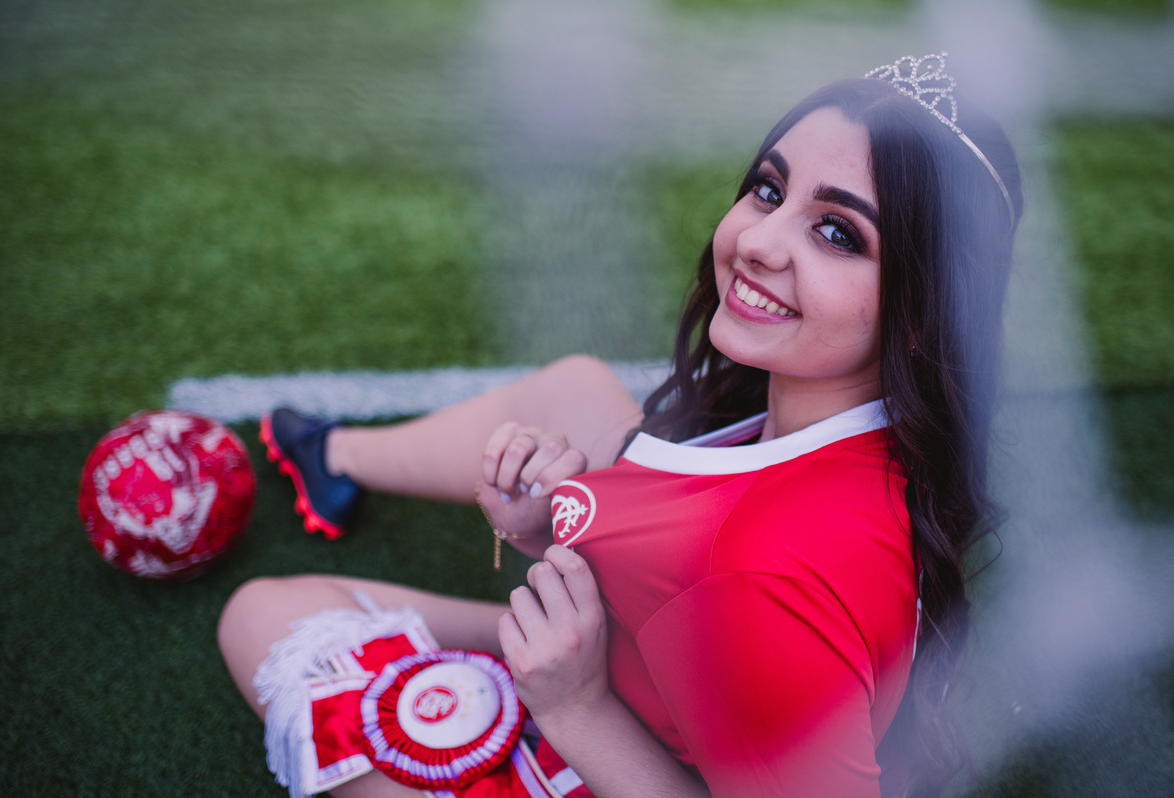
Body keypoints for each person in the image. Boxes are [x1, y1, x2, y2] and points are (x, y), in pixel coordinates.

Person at [218, 53, 1022, 798]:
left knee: (259, 616)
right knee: (577, 394)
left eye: (839, 233)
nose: (758, 242)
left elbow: (742, 594)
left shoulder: (756, 580)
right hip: (678, 681)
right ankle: (331, 456)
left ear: (926, 309)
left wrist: (577, 707)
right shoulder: (852, 425)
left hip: (623, 746)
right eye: (770, 190)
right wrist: (555, 533)